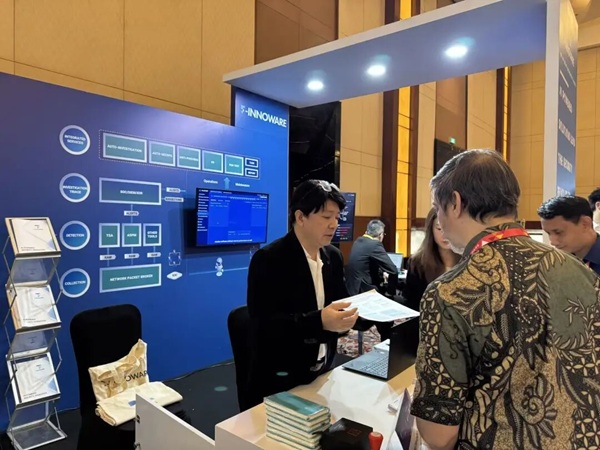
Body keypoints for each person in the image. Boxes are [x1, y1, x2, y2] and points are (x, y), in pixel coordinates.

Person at [410, 149, 600, 450]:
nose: (439, 222)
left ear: (455, 203)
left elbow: (438, 435)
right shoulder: (580, 272)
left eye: (437, 207)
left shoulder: (451, 291)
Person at [246, 179, 359, 409]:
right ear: (300, 217)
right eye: (326, 217)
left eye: (337, 218)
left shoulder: (333, 256)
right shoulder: (269, 259)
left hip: (323, 370)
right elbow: (265, 325)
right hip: (280, 378)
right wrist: (320, 321)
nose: (334, 224)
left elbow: (342, 301)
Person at [400, 207, 460, 354]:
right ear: (431, 230)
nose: (445, 234)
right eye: (439, 228)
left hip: (461, 335)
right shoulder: (418, 263)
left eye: (449, 227)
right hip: (428, 333)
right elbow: (412, 305)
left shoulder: (470, 260)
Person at [345, 219, 399, 340]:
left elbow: (364, 266)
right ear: (380, 235)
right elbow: (393, 271)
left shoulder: (358, 241)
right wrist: (390, 293)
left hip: (351, 292)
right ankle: (387, 342)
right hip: (365, 296)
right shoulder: (375, 244)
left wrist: (381, 273)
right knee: (389, 308)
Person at [537, 195, 600, 276]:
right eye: (548, 233)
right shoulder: (555, 262)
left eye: (558, 232)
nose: (553, 242)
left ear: (585, 224)